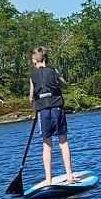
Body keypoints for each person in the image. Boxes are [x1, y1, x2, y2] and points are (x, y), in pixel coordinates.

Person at [28, 47, 79, 185]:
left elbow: (31, 96)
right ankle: (69, 176)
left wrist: (34, 107)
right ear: (46, 58)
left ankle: (49, 179)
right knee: (63, 141)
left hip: (43, 111)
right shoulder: (54, 70)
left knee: (47, 145)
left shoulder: (32, 76)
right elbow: (65, 86)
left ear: (34, 60)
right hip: (57, 107)